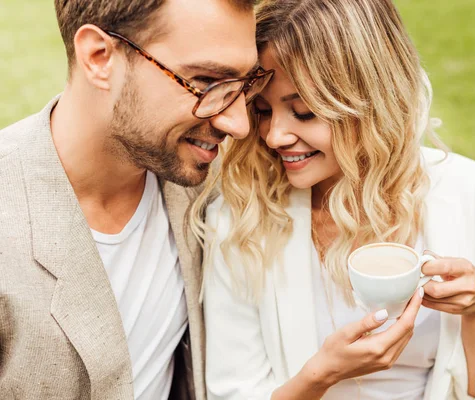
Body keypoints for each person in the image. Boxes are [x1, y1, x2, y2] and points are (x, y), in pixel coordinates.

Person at [196, 0, 475, 399]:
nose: (273, 136)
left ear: (370, 100)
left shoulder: (469, 190)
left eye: (303, 112)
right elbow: (232, 391)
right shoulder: (241, 218)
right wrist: (319, 376)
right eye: (263, 110)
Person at [0, 0, 272, 398]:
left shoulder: (210, 176)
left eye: (245, 87)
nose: (239, 124)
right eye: (208, 83)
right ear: (99, 57)